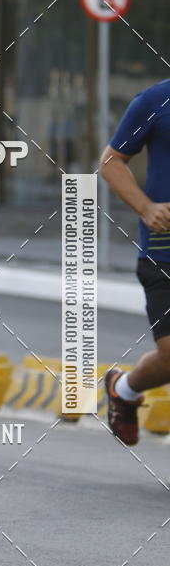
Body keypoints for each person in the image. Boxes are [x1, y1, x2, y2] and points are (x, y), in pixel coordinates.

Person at [100, 79, 170, 446]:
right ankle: (123, 389)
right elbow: (111, 162)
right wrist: (146, 208)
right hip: (163, 252)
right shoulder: (155, 100)